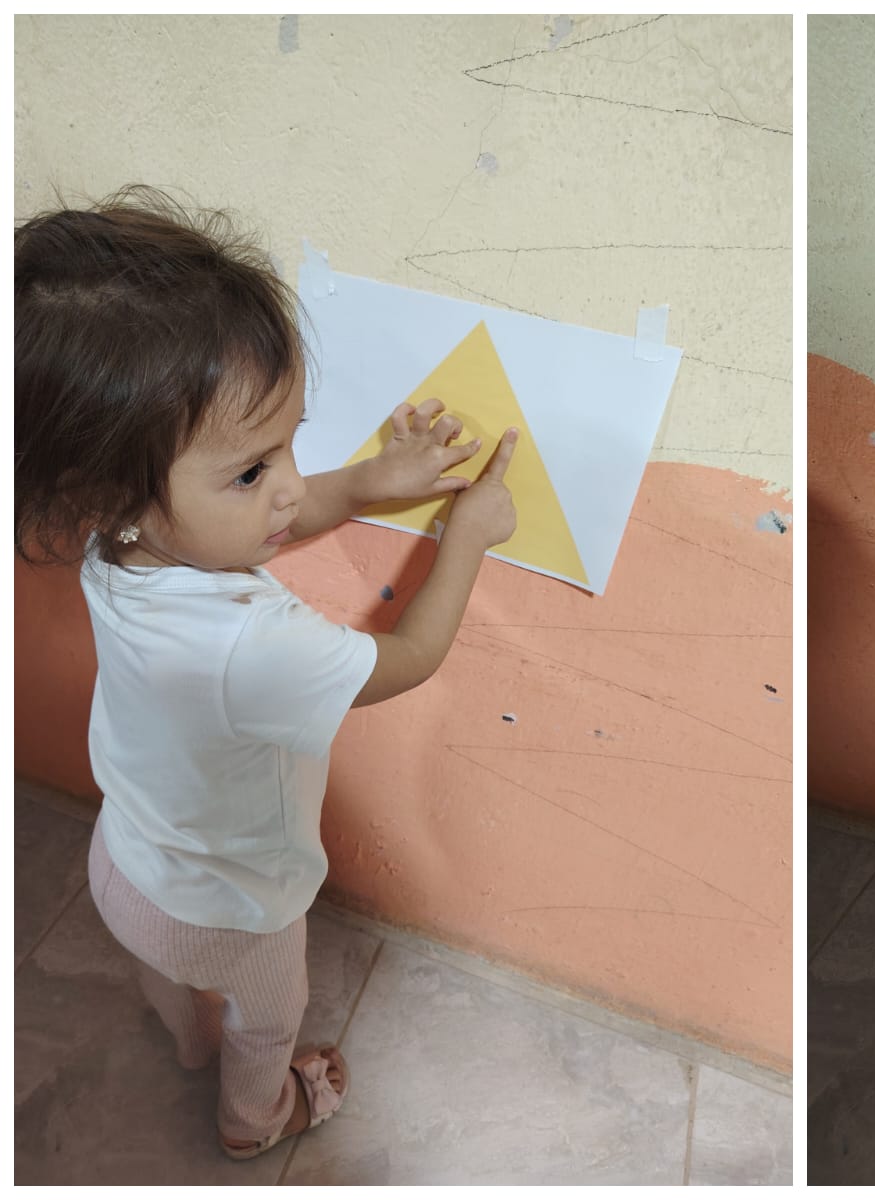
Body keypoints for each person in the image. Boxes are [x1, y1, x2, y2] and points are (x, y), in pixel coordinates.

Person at [14, 186, 519, 1158]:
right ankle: (256, 1122)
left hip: (123, 863)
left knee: (173, 985)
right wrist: (468, 537)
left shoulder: (111, 542)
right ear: (118, 493)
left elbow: (257, 525)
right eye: (252, 470)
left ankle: (187, 1041)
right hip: (234, 913)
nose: (289, 486)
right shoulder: (254, 644)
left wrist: (365, 482)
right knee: (269, 1022)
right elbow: (410, 659)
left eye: (289, 444)